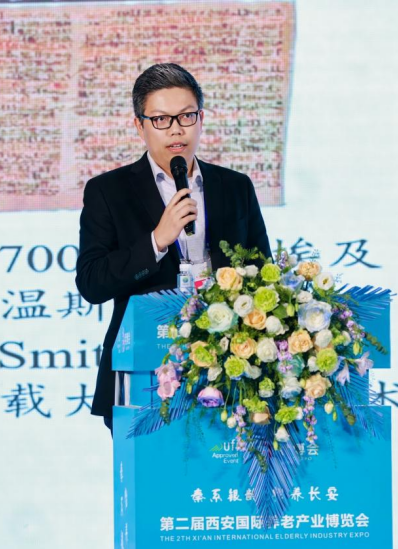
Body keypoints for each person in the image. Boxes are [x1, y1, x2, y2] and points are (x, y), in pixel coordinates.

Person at [76, 63, 272, 434]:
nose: (176, 129)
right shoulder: (108, 191)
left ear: (201, 119)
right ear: (140, 126)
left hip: (231, 372)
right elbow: (92, 283)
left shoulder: (235, 187)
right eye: (161, 119)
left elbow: (263, 274)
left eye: (186, 116)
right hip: (144, 373)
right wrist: (157, 240)